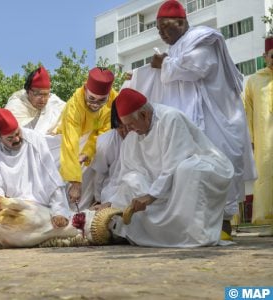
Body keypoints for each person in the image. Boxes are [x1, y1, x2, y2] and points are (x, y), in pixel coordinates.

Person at [144, 0, 255, 235]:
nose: (162, 33)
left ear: (182, 22)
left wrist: (163, 63)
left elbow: (197, 67)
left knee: (222, 163)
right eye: (159, 29)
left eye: (166, 27)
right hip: (196, 118)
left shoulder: (203, 38)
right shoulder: (177, 47)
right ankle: (198, 225)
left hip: (217, 117)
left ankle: (224, 224)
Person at [106, 88, 234, 247]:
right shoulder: (133, 136)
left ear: (144, 115)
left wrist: (150, 196)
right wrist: (111, 202)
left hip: (201, 169)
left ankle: (196, 235)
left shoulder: (171, 118)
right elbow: (127, 173)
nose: (129, 131)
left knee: (188, 169)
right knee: (132, 180)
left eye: (131, 125)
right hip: (161, 184)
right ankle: (148, 235)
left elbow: (175, 163)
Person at [0, 108, 71, 228]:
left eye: (17, 133)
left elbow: (52, 179)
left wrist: (59, 211)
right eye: (10, 138)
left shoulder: (34, 139)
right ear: (0, 137)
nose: (16, 139)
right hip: (9, 204)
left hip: (39, 206)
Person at [57, 67, 118, 209]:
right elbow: (70, 143)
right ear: (85, 90)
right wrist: (76, 183)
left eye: (101, 100)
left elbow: (104, 131)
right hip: (68, 143)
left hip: (92, 145)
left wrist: (87, 152)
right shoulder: (74, 106)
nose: (95, 105)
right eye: (91, 99)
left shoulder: (114, 100)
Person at [243, 37, 273, 225]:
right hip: (264, 140)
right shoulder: (254, 81)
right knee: (265, 175)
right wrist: (250, 140)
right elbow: (248, 111)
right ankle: (264, 218)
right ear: (265, 57)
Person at [5, 66, 65, 135]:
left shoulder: (55, 103)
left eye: (46, 94)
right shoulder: (15, 106)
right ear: (28, 91)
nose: (42, 99)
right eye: (37, 94)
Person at [91, 101, 128, 207]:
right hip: (112, 191)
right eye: (120, 127)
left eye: (127, 125)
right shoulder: (105, 142)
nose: (125, 131)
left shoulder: (140, 134)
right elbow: (100, 174)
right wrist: (98, 199)